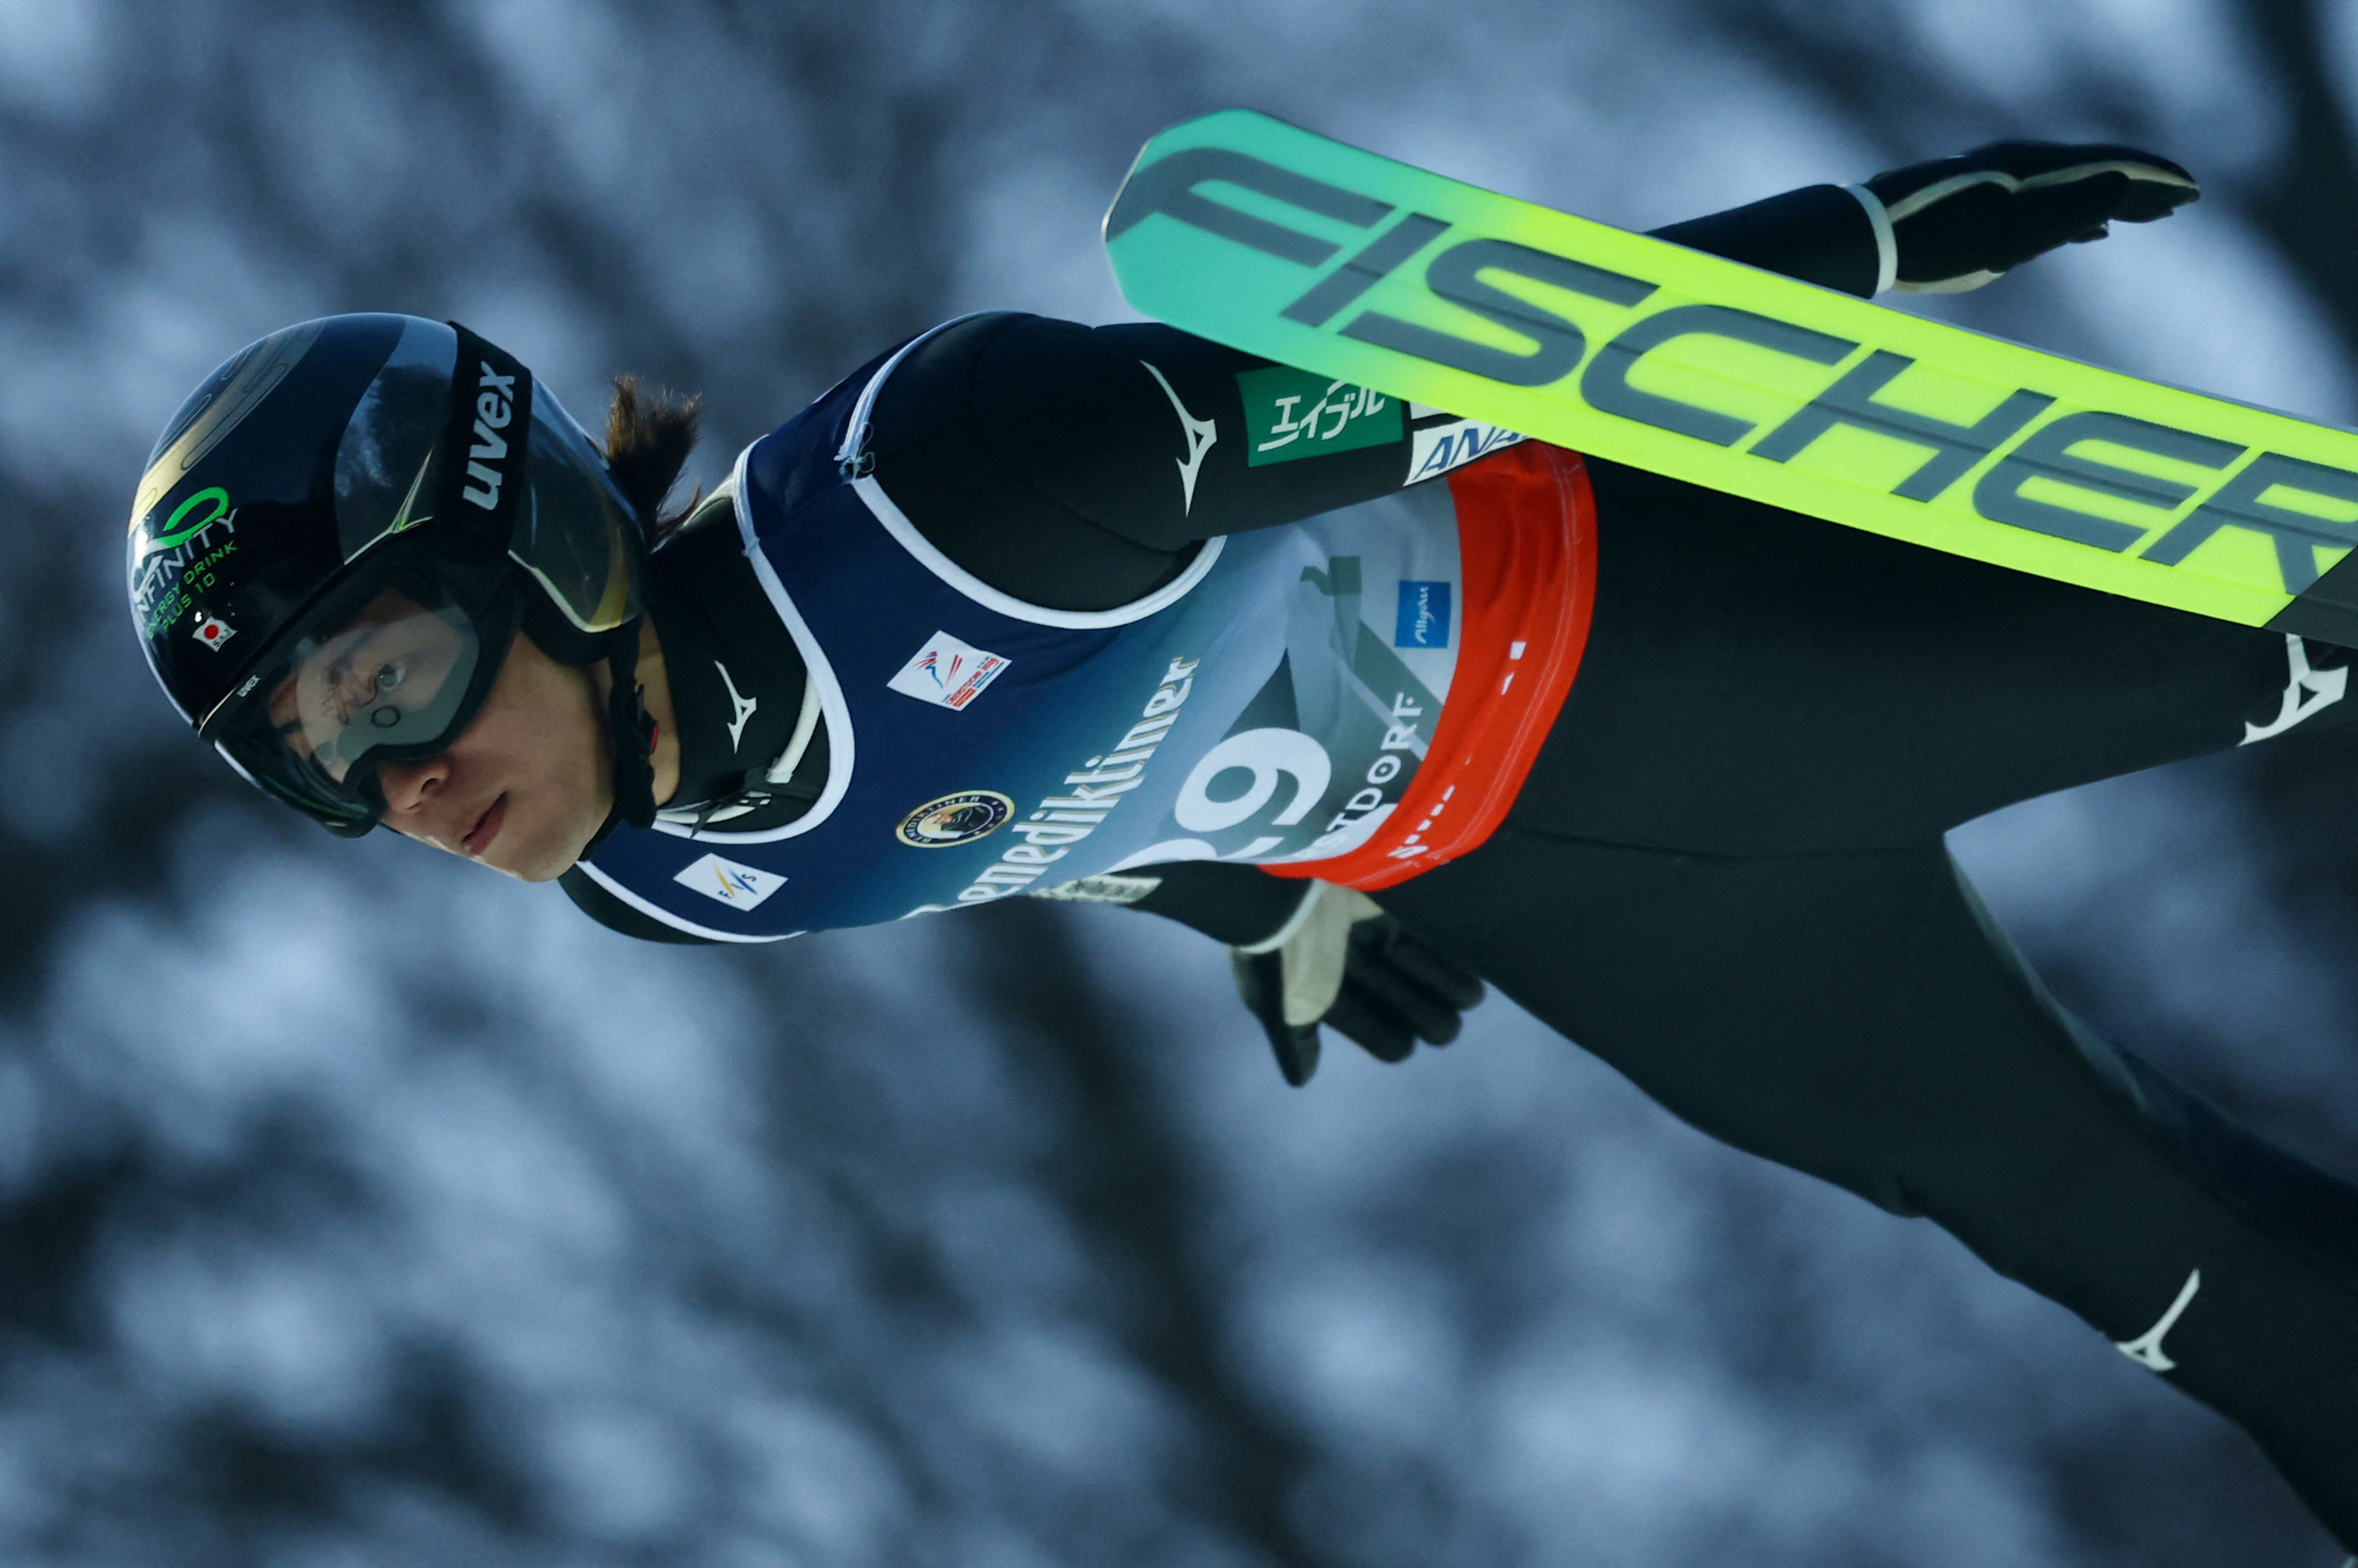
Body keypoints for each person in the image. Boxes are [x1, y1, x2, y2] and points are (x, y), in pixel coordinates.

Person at [125, 139, 2358, 1546]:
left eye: (389, 670)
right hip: (1590, 913)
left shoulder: (950, 489)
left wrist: (1852, 247)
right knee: (2194, 1293)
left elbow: (1454, 377)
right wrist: (1264, 909)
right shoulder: (664, 873)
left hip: (1691, 637)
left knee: (2290, 641)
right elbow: (1003, 826)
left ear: (533, 538)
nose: (399, 781)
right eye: (313, 754)